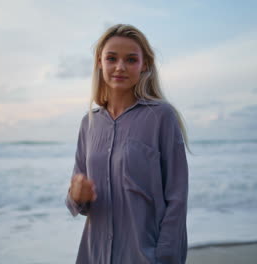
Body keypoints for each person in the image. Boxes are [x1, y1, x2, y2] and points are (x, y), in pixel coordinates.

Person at [65, 24, 189, 264]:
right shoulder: (88, 123)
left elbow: (177, 197)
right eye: (111, 58)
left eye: (131, 59)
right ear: (100, 63)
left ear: (144, 65)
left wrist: (165, 256)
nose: (120, 67)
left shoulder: (161, 116)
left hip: (145, 255)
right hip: (95, 255)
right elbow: (76, 204)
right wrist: (78, 194)